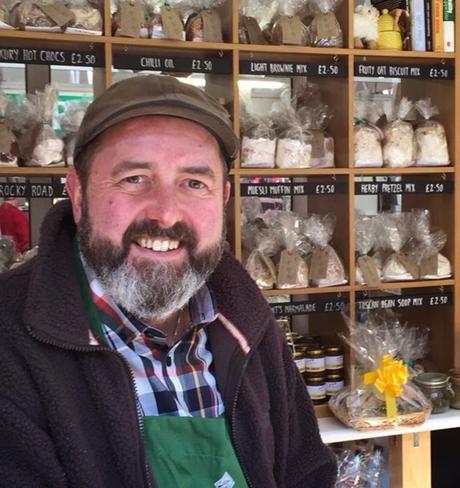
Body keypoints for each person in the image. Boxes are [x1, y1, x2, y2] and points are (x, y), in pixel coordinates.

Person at [0, 75, 336, 487]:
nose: (165, 214)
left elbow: (306, 473)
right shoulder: (11, 340)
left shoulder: (247, 321)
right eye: (134, 178)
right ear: (77, 193)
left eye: (194, 183)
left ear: (224, 198)